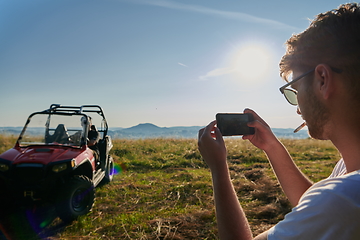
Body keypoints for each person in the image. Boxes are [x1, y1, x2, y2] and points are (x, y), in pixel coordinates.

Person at [198, 3, 360, 240]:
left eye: (294, 90)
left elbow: (329, 206)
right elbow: (314, 208)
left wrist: (218, 169)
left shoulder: (342, 199)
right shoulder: (347, 175)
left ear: (322, 79)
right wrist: (272, 147)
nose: (297, 109)